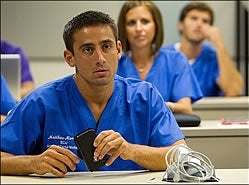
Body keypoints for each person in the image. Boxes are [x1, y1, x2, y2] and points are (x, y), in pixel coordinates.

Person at [1, 10, 186, 178]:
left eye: (106, 46)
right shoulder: (42, 102)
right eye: (88, 50)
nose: (100, 58)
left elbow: (182, 156)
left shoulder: (145, 97)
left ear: (118, 49)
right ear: (69, 58)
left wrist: (130, 151)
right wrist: (32, 163)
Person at [116, 1, 203, 114]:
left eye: (145, 21)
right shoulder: (115, 65)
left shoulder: (176, 61)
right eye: (131, 23)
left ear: (156, 26)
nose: (138, 28)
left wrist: (154, 105)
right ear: (123, 28)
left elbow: (185, 109)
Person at [164, 1, 243, 97]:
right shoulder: (164, 56)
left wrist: (219, 43)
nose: (199, 24)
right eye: (194, 19)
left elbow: (234, 92)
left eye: (205, 21)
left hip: (207, 112)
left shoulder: (213, 56)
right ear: (180, 25)